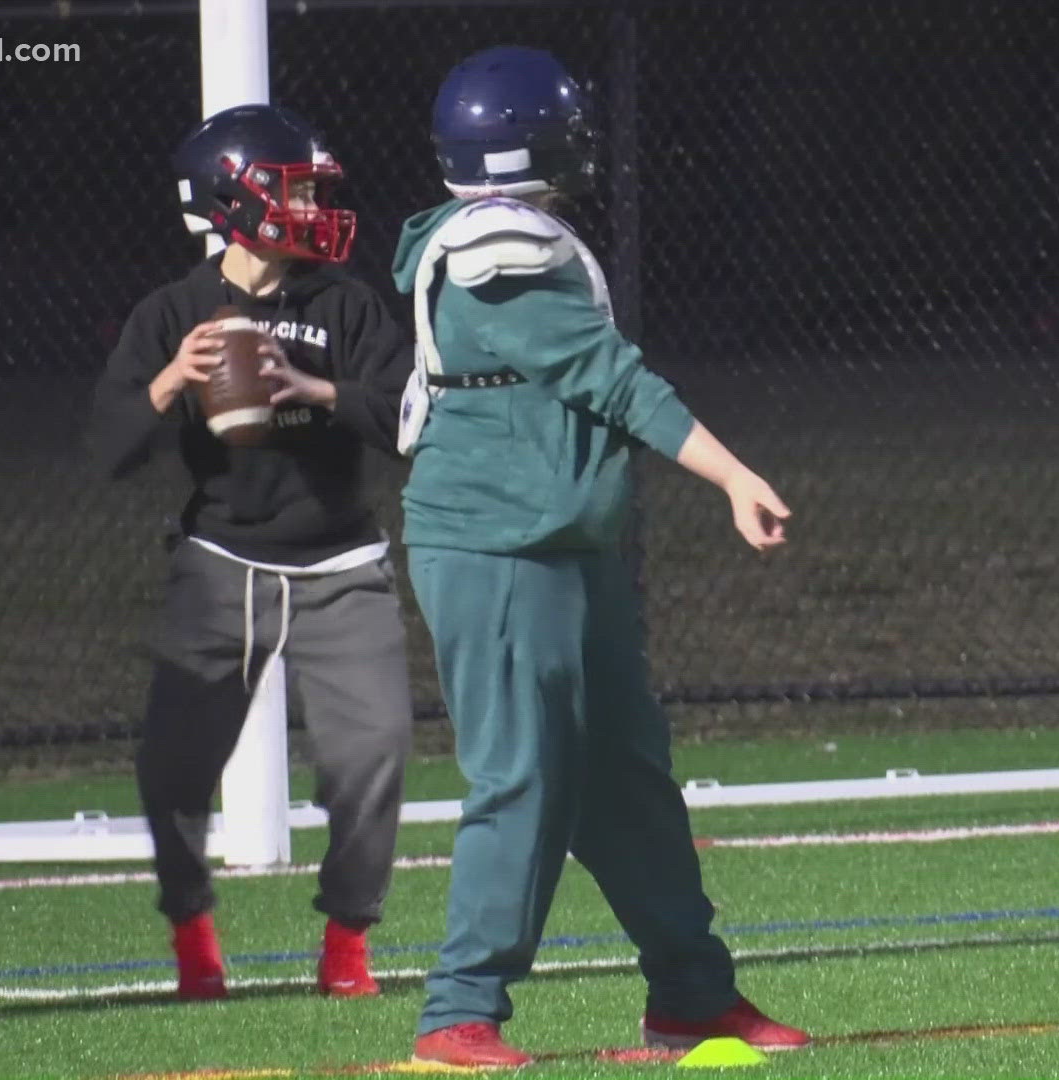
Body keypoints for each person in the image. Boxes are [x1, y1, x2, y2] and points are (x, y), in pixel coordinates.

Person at [393, 47, 810, 1069]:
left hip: (564, 544)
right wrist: (731, 474)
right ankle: (460, 1010)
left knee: (627, 780)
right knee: (522, 776)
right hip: (497, 545)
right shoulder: (497, 250)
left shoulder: (507, 233)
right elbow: (606, 376)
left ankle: (692, 997)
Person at [88, 103, 415, 1001]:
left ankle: (347, 943)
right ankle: (193, 931)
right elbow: (107, 449)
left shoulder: (345, 304)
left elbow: (406, 419)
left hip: (340, 563)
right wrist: (172, 380)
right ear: (232, 198)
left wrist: (314, 388)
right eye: (292, 190)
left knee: (375, 750)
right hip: (221, 562)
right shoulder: (175, 312)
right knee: (174, 764)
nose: (311, 207)